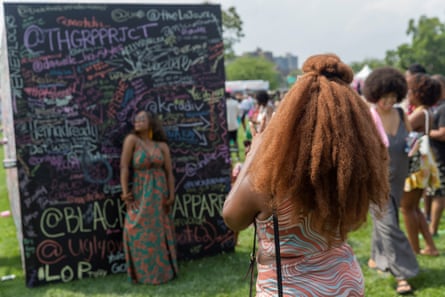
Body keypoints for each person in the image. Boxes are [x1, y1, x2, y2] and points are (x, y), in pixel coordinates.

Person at [223, 54, 390, 296]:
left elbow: (232, 218)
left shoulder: (270, 179)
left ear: (288, 118)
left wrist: (255, 152)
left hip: (292, 288)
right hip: (345, 282)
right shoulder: (350, 175)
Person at [362, 67, 419, 295]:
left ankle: (376, 257)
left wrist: (414, 145)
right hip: (376, 180)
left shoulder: (402, 114)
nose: (388, 102)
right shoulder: (369, 115)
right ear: (375, 95)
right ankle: (402, 274)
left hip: (399, 176)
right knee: (389, 224)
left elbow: (409, 139)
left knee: (387, 219)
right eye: (384, 98)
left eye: (393, 98)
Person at [120, 110, 178, 284]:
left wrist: (171, 194)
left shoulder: (161, 146)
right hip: (140, 192)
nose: (137, 122)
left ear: (151, 123)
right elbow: (124, 167)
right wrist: (125, 193)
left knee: (158, 234)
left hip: (159, 195)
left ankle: (162, 273)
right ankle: (142, 274)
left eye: (142, 119)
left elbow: (169, 173)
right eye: (136, 119)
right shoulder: (132, 141)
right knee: (135, 229)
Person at [401, 73, 441, 257]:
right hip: (423, 164)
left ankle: (414, 250)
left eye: (410, 91)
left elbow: (399, 128)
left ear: (418, 93)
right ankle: (430, 247)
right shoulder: (428, 112)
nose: (407, 94)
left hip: (414, 165)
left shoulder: (419, 114)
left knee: (407, 208)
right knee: (415, 207)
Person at [429, 74, 445, 237]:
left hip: (441, 157)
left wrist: (426, 131)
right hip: (438, 156)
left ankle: (432, 229)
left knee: (439, 196)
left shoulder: (442, 108)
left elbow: (443, 133)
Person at [225, 91, 241, 160]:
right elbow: (238, 114)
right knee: (235, 141)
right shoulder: (235, 102)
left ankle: (229, 156)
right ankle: (237, 156)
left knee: (227, 142)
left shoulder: (223, 103)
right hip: (234, 125)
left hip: (225, 126)